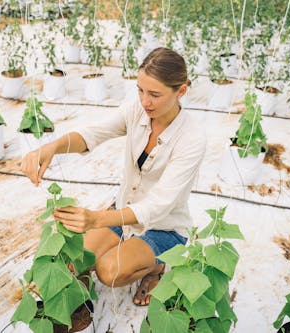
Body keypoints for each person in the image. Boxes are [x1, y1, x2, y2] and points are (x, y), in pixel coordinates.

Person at [20, 47, 206, 306]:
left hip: (164, 227)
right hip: (123, 213)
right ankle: (125, 246)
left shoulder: (192, 138)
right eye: (140, 90)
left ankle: (157, 269)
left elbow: (159, 204)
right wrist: (51, 147)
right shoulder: (137, 112)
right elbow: (93, 133)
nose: (145, 101)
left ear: (181, 91)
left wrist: (96, 219)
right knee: (79, 259)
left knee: (109, 271)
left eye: (154, 94)